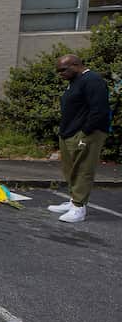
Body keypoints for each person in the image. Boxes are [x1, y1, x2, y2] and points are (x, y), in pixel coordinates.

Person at [47, 54, 110, 223]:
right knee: (70, 169)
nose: (60, 74)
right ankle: (73, 201)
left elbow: (100, 110)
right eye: (58, 71)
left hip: (86, 133)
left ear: (75, 65)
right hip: (69, 132)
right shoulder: (75, 82)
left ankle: (78, 208)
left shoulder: (92, 80)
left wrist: (85, 132)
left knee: (83, 169)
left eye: (63, 70)